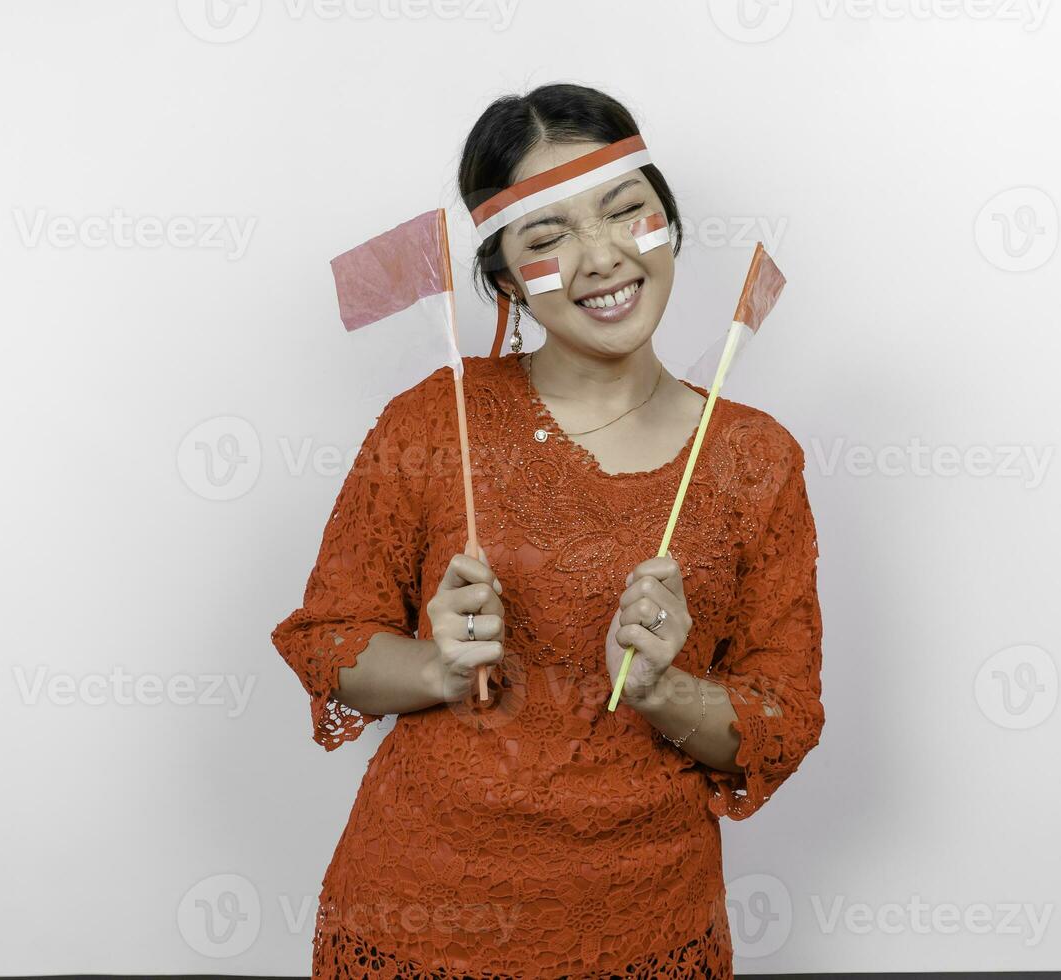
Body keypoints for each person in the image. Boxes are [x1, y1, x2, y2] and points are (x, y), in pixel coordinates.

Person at [271, 82, 824, 979]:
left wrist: (661, 690)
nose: (599, 256)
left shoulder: (755, 459)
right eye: (548, 235)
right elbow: (326, 641)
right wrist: (434, 664)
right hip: (418, 921)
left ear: (669, 224)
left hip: (651, 927)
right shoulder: (428, 424)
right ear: (501, 279)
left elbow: (780, 719)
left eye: (623, 212)